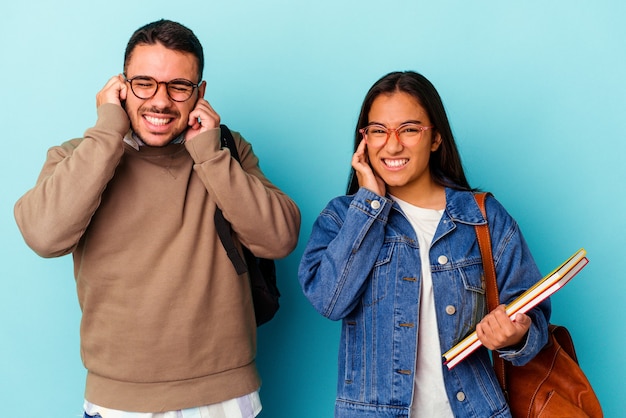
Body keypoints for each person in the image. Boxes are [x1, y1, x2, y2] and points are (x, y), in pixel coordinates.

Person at [14, 19, 300, 418]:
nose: (161, 101)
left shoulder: (224, 151)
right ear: (121, 86)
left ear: (199, 93)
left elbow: (278, 239)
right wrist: (106, 134)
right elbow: (44, 235)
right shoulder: (80, 155)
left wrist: (211, 155)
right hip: (120, 402)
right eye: (144, 83)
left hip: (224, 397)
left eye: (178, 86)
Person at [298, 71, 550, 417]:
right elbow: (330, 300)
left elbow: (533, 322)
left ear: (435, 139)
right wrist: (369, 202)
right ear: (364, 140)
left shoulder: (482, 217)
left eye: (410, 129)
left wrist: (514, 337)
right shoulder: (343, 218)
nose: (392, 144)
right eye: (378, 130)